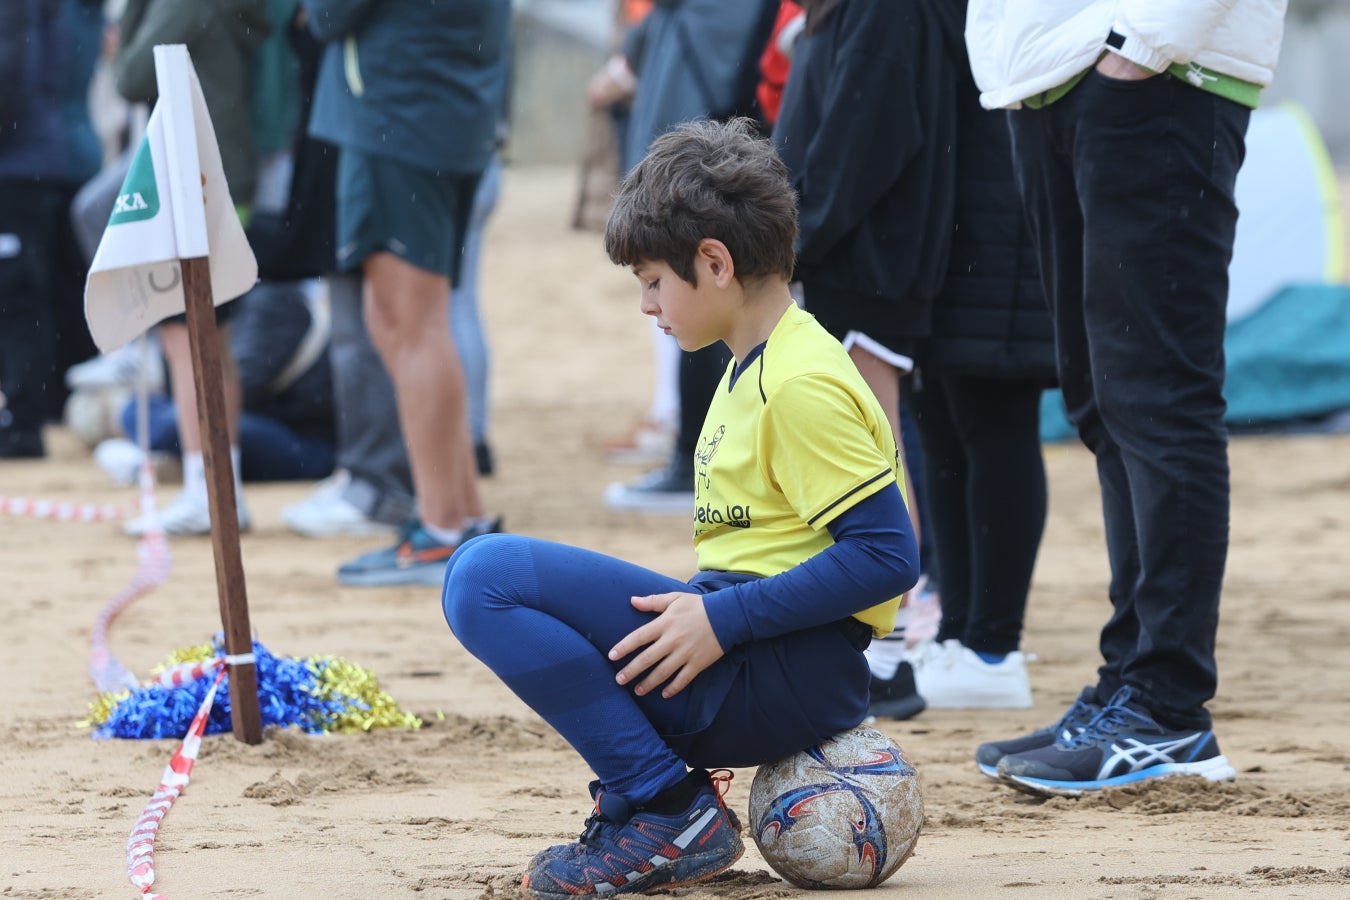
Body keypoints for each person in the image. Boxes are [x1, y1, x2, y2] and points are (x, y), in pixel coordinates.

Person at [443, 118, 919, 899]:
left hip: (786, 671)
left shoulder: (798, 380)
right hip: (755, 650)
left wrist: (721, 621)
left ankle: (668, 807)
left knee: (484, 579)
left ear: (716, 263)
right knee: (477, 569)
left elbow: (886, 556)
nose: (646, 305)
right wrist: (713, 615)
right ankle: (648, 797)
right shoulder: (751, 365)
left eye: (652, 282)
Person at [966, 0, 1287, 794]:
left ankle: (1168, 708)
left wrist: (1142, 46)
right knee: (1102, 402)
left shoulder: (1145, 59)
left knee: (1158, 401)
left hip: (1158, 73)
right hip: (1055, 76)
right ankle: (1129, 683)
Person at [771, 0, 964, 719]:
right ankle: (871, 647)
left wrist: (790, 240)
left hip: (870, 261)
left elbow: (865, 140)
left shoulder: (886, 10)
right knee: (858, 453)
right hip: (842, 255)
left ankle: (885, 658)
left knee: (870, 457)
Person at [305, 0, 510, 585]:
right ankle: (461, 515)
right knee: (405, 319)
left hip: (402, 110)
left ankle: (442, 528)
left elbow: (326, 15)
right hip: (442, 108)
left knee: (412, 322)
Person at [903, 38, 1057, 711]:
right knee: (937, 422)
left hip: (1001, 205)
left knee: (993, 421)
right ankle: (959, 632)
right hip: (947, 210)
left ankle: (993, 647)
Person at [600, 0, 778, 513]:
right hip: (719, 126)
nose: (644, 305)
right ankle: (697, 451)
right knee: (701, 304)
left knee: (704, 298)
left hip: (708, 132)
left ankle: (695, 458)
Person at [113, 0, 270, 535]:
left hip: (192, 181)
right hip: (222, 176)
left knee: (187, 341)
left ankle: (208, 492)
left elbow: (132, 76)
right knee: (213, 340)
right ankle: (223, 490)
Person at [96, 279, 336, 486]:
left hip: (304, 444)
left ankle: (173, 459)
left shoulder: (270, 301)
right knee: (136, 410)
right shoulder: (240, 300)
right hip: (258, 423)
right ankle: (174, 459)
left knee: (174, 423)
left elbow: (231, 394)